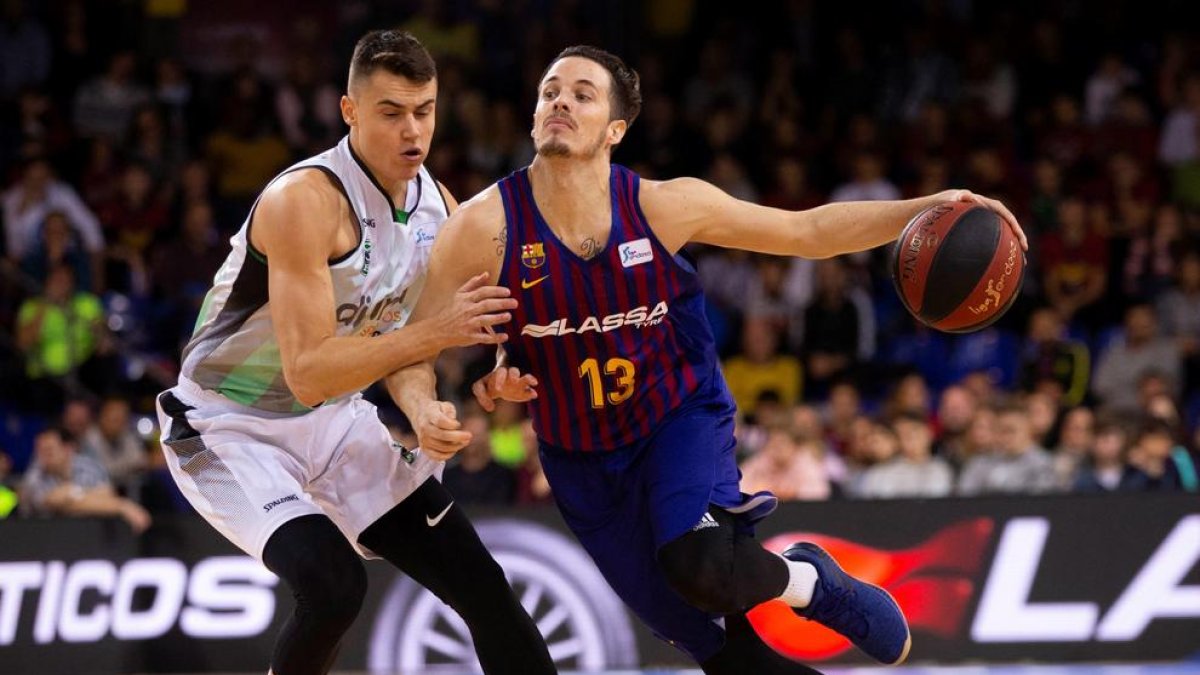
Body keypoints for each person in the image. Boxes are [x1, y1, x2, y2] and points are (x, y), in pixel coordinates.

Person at [396, 46, 1027, 674]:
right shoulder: (484, 228)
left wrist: (924, 208)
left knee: (699, 565)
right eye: (550, 91)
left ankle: (813, 583)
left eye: (582, 94)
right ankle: (797, 586)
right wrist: (425, 408)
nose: (560, 100)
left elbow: (806, 232)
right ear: (535, 118)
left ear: (616, 128)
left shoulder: (663, 206)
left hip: (677, 416)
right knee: (719, 651)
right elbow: (414, 343)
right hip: (580, 456)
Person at [152, 31, 553, 675]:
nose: (412, 131)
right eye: (391, 112)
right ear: (350, 111)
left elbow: (405, 355)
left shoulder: (440, 208)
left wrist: (423, 410)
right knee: (333, 587)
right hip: (228, 426)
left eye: (424, 111)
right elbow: (307, 372)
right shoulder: (304, 202)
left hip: (336, 421)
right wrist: (436, 333)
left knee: (483, 585)